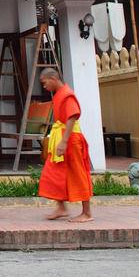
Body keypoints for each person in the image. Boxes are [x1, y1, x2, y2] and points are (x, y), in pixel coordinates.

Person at [38, 68, 94, 222]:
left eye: (45, 82)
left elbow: (72, 117)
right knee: (53, 172)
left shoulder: (67, 94)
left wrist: (64, 141)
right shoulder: (58, 95)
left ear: (54, 78)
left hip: (70, 139)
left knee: (77, 172)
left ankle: (87, 213)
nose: (44, 86)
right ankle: (61, 207)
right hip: (62, 136)